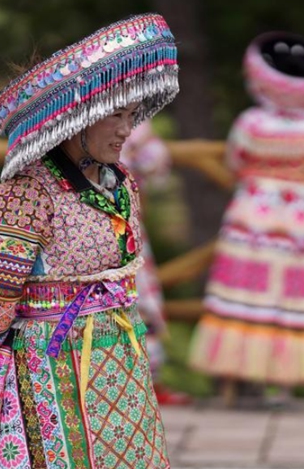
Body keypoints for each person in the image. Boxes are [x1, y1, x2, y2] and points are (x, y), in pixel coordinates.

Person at [0, 13, 178, 468]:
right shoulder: (23, 196)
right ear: (79, 117)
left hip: (121, 365)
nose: (126, 130)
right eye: (116, 114)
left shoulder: (122, 184)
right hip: (46, 367)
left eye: (132, 116)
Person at [188, 32, 304, 407]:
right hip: (298, 221)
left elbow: (234, 161)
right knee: (290, 299)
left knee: (238, 295)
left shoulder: (250, 123)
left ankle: (231, 383)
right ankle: (283, 384)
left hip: (250, 218)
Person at [120, 122, 192, 405]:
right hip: (124, 226)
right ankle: (145, 380)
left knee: (133, 298)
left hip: (118, 227)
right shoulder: (130, 123)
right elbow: (156, 161)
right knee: (137, 298)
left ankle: (141, 379)